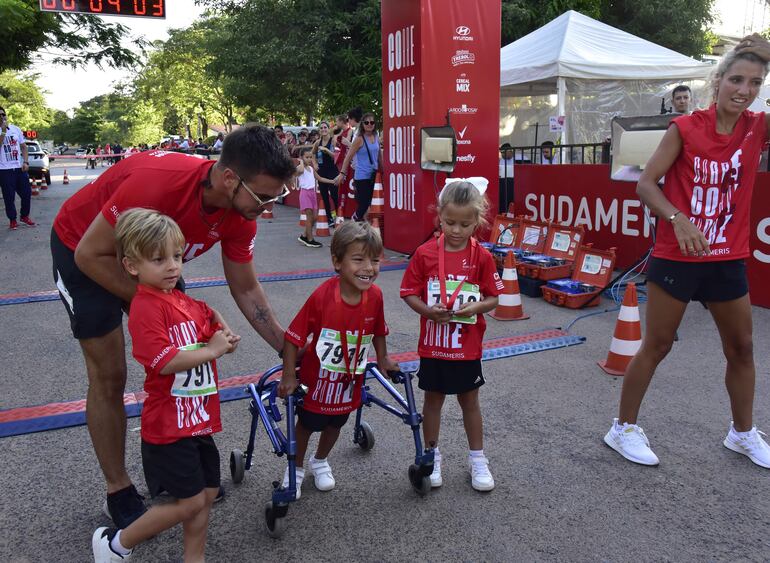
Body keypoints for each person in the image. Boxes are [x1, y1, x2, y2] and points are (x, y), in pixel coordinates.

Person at [51, 125, 296, 529]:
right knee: (111, 375)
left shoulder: (240, 212)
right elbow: (90, 255)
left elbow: (248, 289)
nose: (268, 207)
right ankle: (118, 488)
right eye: (264, 197)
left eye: (276, 198)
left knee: (181, 362)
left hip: (152, 261)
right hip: (84, 249)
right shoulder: (157, 186)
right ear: (229, 178)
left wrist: (287, 349)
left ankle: (172, 471)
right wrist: (158, 308)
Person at [603, 35, 770, 469]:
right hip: (677, 256)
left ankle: (742, 433)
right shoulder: (686, 127)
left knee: (743, 349)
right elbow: (644, 183)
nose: (744, 90)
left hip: (727, 258)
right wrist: (678, 219)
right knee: (656, 345)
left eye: (755, 82)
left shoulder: (757, 128)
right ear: (718, 82)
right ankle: (622, 429)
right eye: (736, 79)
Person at [92, 209, 240, 562]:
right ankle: (117, 545)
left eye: (176, 256)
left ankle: (195, 558)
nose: (172, 266)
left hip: (198, 419)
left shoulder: (181, 299)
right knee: (188, 501)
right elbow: (165, 361)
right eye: (158, 259)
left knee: (205, 495)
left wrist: (222, 330)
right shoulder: (145, 307)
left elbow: (206, 317)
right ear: (131, 266)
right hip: (169, 427)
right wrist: (213, 349)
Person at [277, 221, 399, 496]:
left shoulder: (375, 296)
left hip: (349, 381)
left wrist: (384, 359)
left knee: (336, 424)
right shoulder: (322, 297)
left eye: (375, 261)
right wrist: (288, 376)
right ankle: (295, 469)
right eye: (358, 260)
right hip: (317, 382)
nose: (369, 268)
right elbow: (293, 337)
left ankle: (320, 461)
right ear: (337, 262)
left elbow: (379, 330)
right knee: (307, 426)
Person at [399, 179, 503, 491]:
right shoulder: (425, 253)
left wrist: (477, 307)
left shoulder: (481, 257)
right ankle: (432, 456)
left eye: (465, 224)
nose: (456, 230)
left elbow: (494, 297)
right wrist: (427, 311)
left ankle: (478, 458)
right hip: (434, 345)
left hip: (466, 347)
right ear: (439, 216)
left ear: (478, 222)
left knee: (469, 401)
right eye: (449, 222)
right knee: (433, 400)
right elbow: (409, 292)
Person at [335, 112, 382, 222]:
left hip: (373, 176)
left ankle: (366, 231)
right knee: (364, 204)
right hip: (361, 176)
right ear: (362, 124)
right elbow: (348, 157)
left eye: (372, 122)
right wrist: (342, 173)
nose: (369, 124)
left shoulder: (376, 137)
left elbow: (379, 156)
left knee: (371, 204)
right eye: (366, 122)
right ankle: (353, 223)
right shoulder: (359, 139)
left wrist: (383, 171)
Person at [0, 106, 35, 230]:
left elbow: (24, 147)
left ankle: (24, 216)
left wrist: (25, 162)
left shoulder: (15, 129)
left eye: (3, 114)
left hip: (19, 167)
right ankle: (13, 220)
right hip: (4, 170)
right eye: (0, 115)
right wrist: (3, 131)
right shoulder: (2, 130)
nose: (2, 117)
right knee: (9, 197)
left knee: (26, 193)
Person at [295, 148, 323, 248]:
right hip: (305, 193)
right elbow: (301, 171)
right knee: (309, 217)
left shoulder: (311, 169)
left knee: (314, 217)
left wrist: (333, 181)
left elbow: (319, 178)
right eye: (307, 157)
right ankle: (310, 239)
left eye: (311, 157)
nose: (309, 159)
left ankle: (304, 235)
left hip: (312, 193)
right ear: (302, 158)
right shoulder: (299, 168)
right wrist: (301, 162)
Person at [312, 121, 339, 223]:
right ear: (319, 130)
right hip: (321, 171)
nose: (323, 129)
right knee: (324, 196)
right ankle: (329, 218)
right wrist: (314, 164)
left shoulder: (333, 141)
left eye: (325, 127)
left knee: (334, 195)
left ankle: (338, 216)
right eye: (321, 128)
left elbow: (337, 157)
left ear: (328, 129)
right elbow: (313, 154)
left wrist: (327, 151)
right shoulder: (317, 142)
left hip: (332, 171)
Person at [498, 142, 514, 213]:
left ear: (510, 151)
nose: (503, 154)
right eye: (502, 152)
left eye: (504, 152)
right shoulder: (500, 160)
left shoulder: (520, 158)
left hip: (514, 182)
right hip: (503, 182)